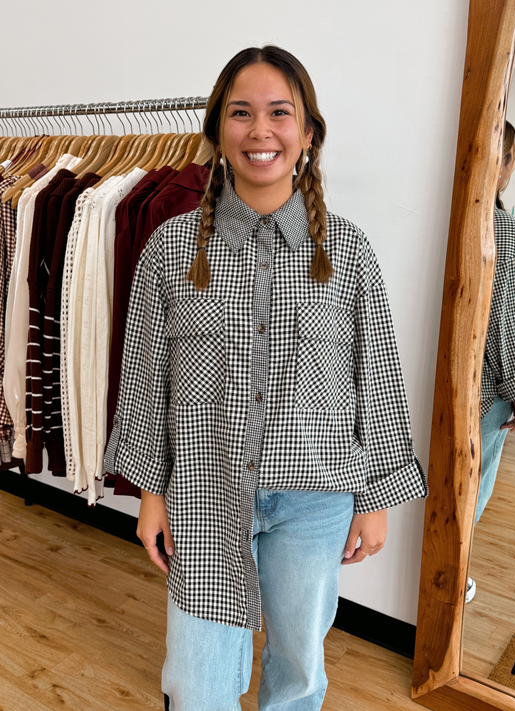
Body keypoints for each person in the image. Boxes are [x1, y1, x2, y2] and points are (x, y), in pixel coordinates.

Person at [105, 45, 428, 710]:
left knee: (299, 669)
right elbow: (144, 378)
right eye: (241, 113)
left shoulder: (349, 251)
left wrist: (372, 497)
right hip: (203, 491)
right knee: (195, 686)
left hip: (313, 500)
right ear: (217, 130)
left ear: (307, 133)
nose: (260, 131)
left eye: (279, 113)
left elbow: (378, 379)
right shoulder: (169, 249)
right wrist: (151, 493)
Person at [467, 120, 515, 604]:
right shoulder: (503, 227)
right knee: (478, 480)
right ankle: (456, 567)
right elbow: (504, 316)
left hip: (467, 378)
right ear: (505, 163)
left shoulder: (467, 215)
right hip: (490, 384)